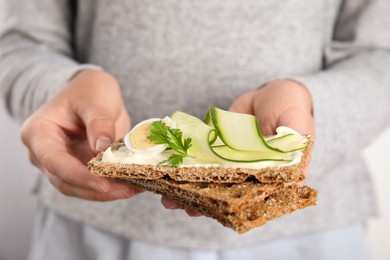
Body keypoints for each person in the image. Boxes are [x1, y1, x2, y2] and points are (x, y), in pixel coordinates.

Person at [1, 0, 389, 259]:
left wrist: (309, 109)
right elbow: (22, 42)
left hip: (309, 239)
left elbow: (381, 56)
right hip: (90, 232)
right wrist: (58, 87)